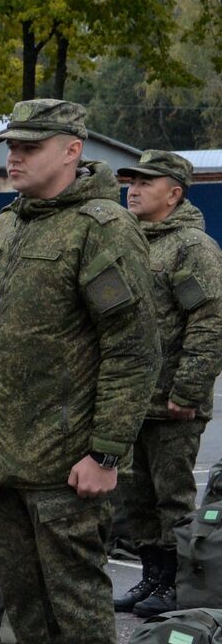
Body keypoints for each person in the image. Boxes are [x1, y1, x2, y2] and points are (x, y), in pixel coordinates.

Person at [0, 99, 158, 644]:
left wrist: (106, 451)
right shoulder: (8, 225)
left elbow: (133, 348)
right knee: (24, 595)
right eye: (10, 146)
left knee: (76, 594)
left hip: (66, 459)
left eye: (31, 146)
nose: (13, 156)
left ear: (72, 149)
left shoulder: (99, 228)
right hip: (0, 453)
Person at [113, 150, 222, 616]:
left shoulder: (191, 246)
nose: (132, 189)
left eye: (145, 183)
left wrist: (188, 390)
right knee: (135, 497)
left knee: (171, 497)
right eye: (130, 182)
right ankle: (151, 577)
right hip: (132, 399)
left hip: (172, 402)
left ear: (173, 194)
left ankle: (177, 583)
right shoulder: (131, 240)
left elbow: (209, 320)